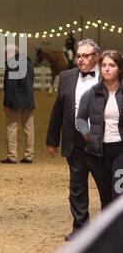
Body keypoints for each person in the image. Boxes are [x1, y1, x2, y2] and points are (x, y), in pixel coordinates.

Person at [46, 39, 111, 241]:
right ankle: (80, 227)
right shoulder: (66, 77)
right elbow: (58, 109)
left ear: (96, 57)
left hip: (102, 141)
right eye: (78, 56)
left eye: (85, 56)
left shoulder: (110, 76)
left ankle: (107, 229)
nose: (80, 60)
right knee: (77, 186)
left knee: (106, 186)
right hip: (74, 140)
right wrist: (52, 139)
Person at [77, 49, 123, 201]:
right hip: (98, 153)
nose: (107, 69)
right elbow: (81, 118)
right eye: (104, 65)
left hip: (120, 151)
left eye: (112, 65)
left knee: (118, 197)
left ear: (120, 68)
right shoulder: (91, 93)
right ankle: (109, 226)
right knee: (106, 199)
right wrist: (87, 134)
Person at [1, 45, 35, 164]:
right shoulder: (28, 63)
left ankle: (12, 156)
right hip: (29, 100)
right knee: (29, 129)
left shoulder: (11, 64)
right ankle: (29, 155)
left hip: (15, 102)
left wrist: (6, 103)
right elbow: (31, 81)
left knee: (11, 128)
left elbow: (10, 85)